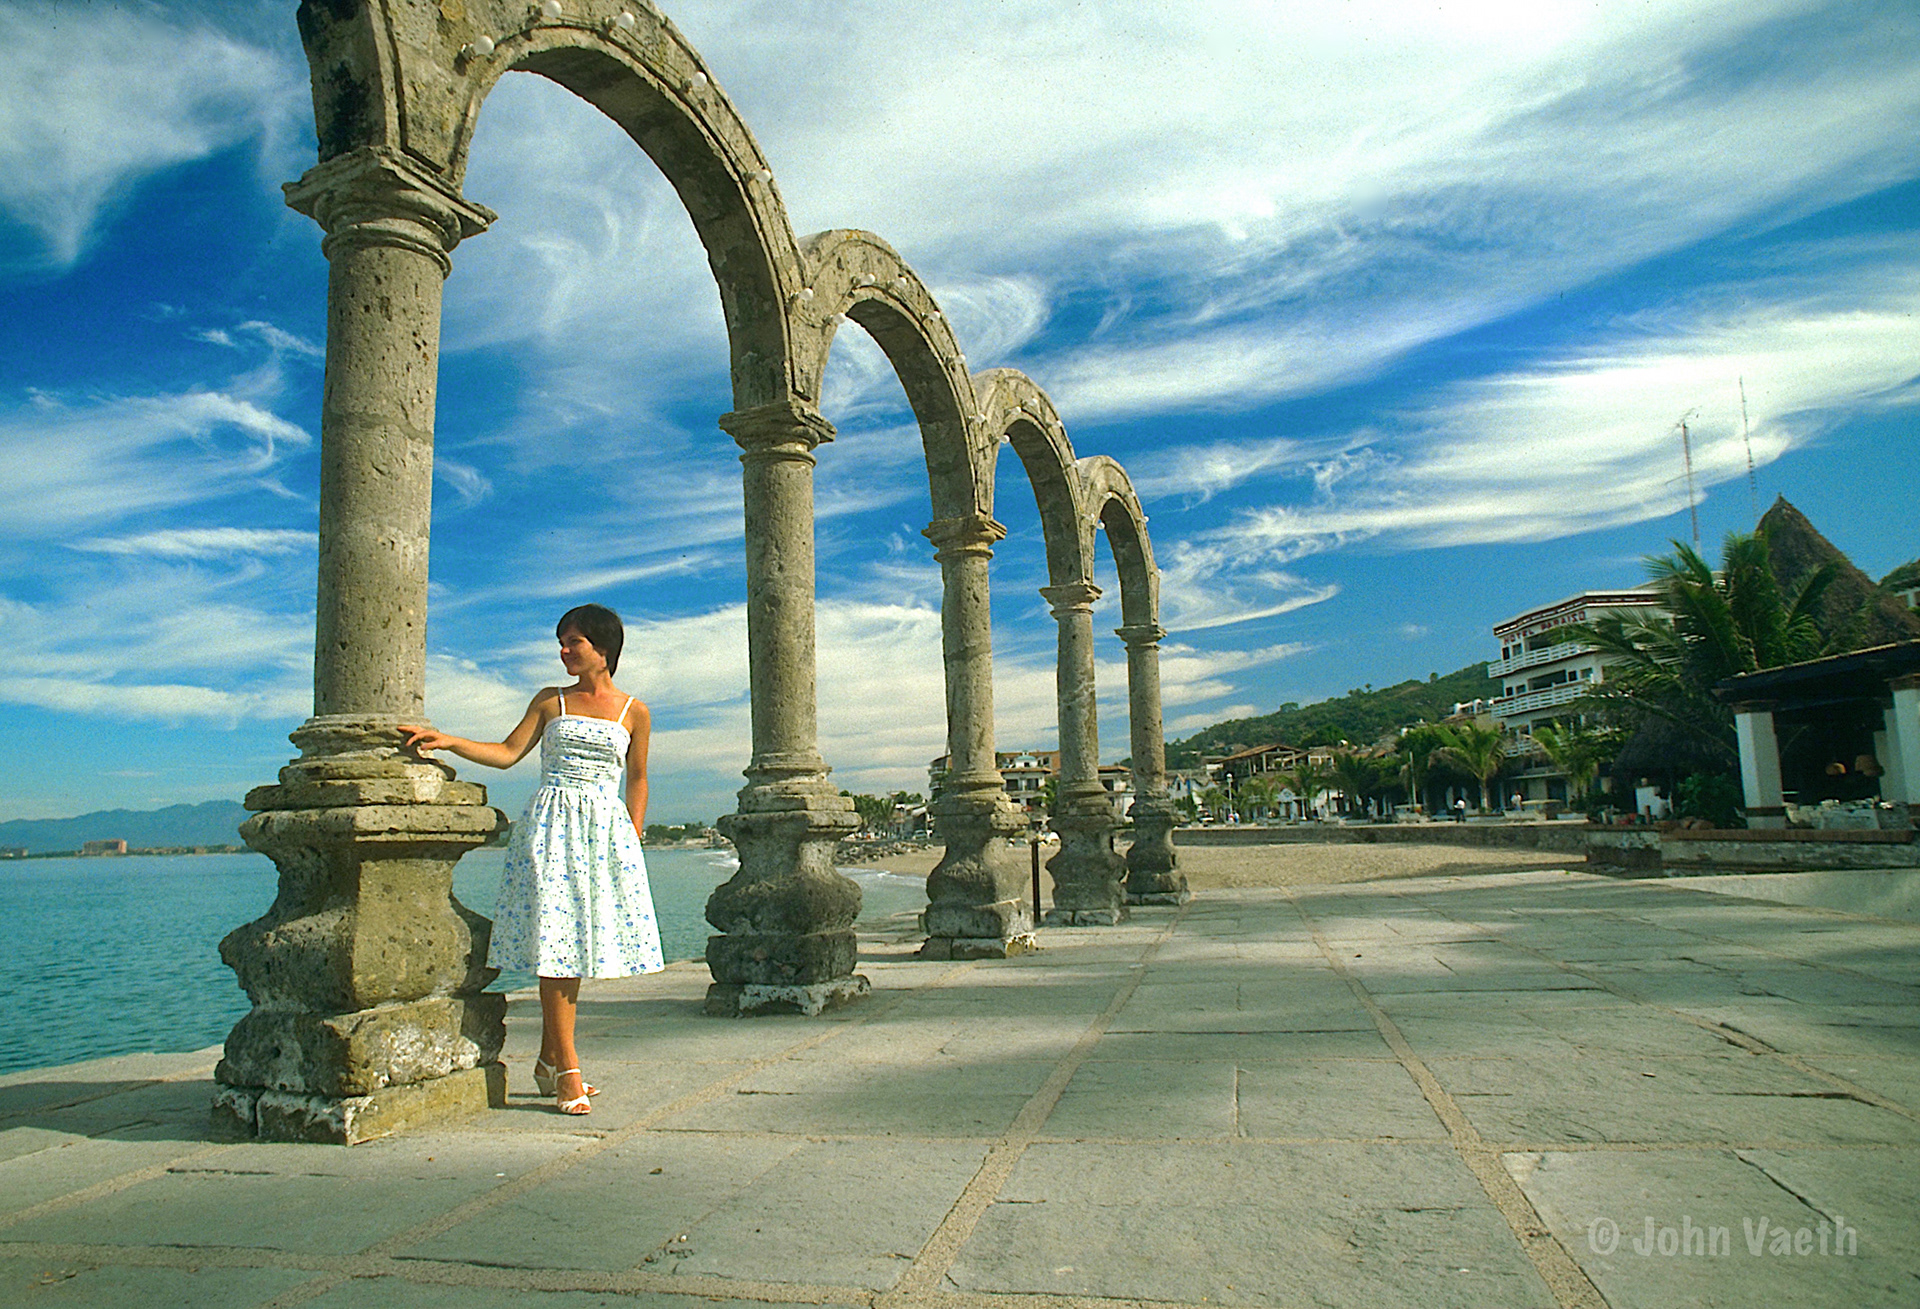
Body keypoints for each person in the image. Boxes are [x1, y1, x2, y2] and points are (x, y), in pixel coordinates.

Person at [401, 604, 663, 1115]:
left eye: (573, 642)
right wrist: (449, 742)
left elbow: (637, 778)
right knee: (555, 946)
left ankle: (547, 1060)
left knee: (575, 947)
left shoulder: (635, 711)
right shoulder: (550, 700)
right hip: (552, 828)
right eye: (561, 642)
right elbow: (507, 752)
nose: (563, 651)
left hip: (604, 834)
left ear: (603, 648)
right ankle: (568, 1071)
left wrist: (632, 835)